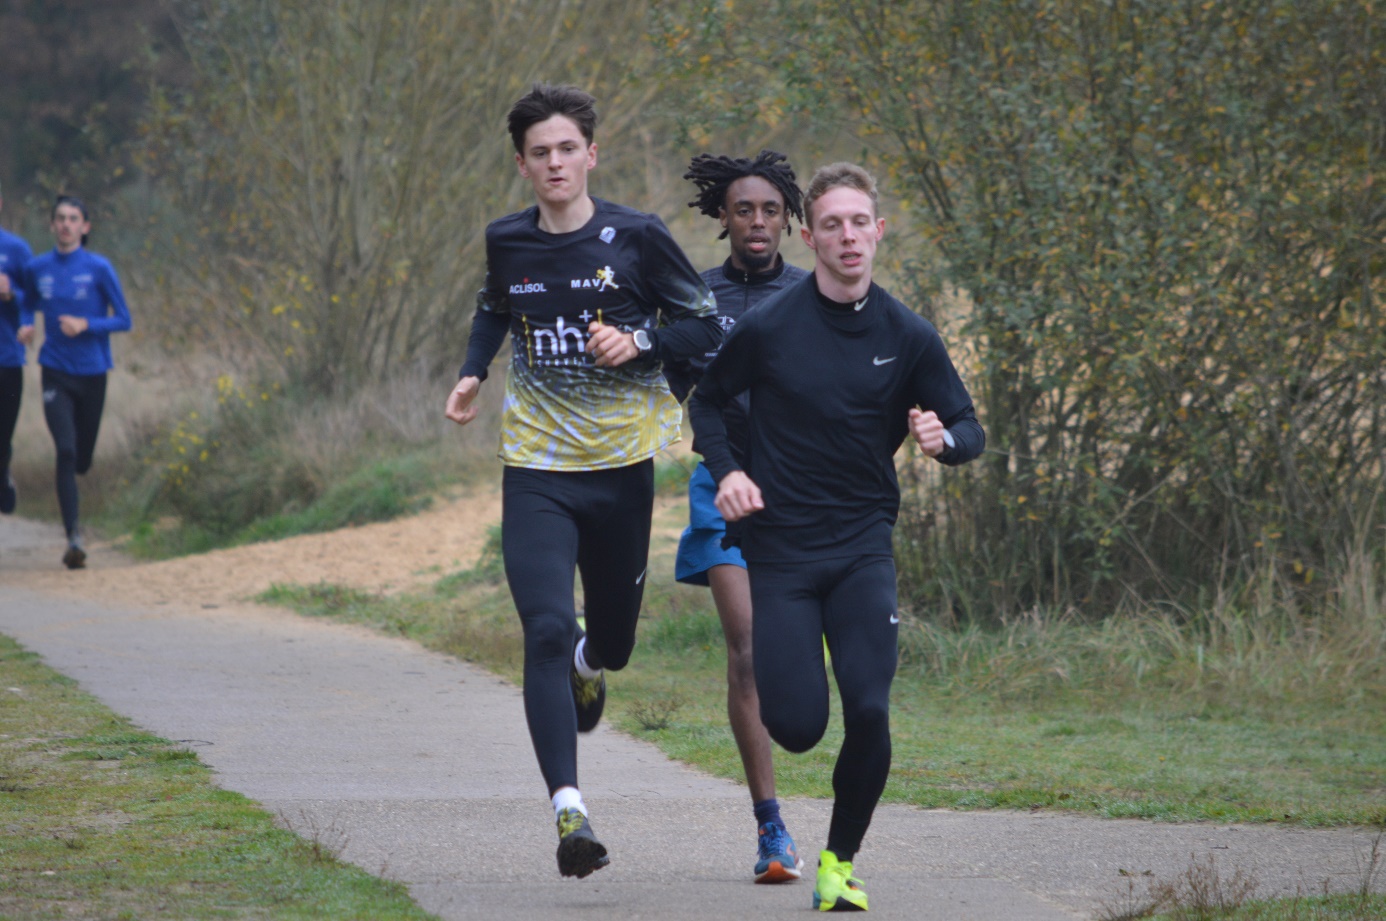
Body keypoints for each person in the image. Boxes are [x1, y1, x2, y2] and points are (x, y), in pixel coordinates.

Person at [688, 163, 984, 912]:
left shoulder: (907, 333)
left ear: (878, 232)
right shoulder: (770, 326)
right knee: (795, 725)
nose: (847, 237)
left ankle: (838, 861)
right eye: (832, 225)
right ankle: (800, 792)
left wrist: (941, 437)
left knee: (872, 707)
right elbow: (711, 402)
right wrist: (727, 471)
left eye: (860, 223)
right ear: (809, 235)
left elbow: (971, 428)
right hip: (780, 551)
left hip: (860, 546)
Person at [443, 83, 720, 880]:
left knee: (614, 641)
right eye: (540, 153)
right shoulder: (509, 241)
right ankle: (570, 809)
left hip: (620, 471)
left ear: (591, 154)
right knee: (542, 629)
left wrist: (637, 340)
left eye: (568, 149)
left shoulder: (637, 236)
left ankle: (594, 663)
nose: (555, 162)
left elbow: (703, 322)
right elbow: (495, 306)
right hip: (536, 468)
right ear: (522, 164)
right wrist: (471, 372)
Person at [676, 150, 809, 883]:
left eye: (768, 210)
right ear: (721, 218)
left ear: (788, 218)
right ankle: (772, 829)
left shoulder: (815, 292)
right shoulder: (697, 298)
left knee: (796, 651)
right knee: (748, 646)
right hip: (722, 484)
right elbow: (679, 386)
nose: (756, 222)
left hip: (805, 493)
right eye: (742, 210)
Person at [18, 195, 132, 569]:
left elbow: (124, 319)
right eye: (60, 218)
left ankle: (76, 517)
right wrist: (26, 323)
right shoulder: (39, 267)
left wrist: (88, 325)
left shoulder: (99, 268)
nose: (66, 224)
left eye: (73, 219)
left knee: (81, 459)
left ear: (85, 226)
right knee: (65, 450)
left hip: (93, 372)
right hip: (55, 370)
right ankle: (74, 538)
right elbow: (26, 300)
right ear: (52, 226)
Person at [0, 181, 34, 515]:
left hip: (7, 358)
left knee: (3, 433)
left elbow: (33, 299)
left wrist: (11, 295)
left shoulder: (16, 249)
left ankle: (3, 473)